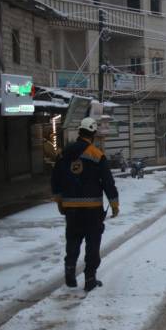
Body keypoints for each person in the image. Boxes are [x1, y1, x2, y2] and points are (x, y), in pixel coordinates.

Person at [51, 117, 119, 292]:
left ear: (80, 132)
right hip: (92, 210)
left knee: (73, 240)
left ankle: (70, 271)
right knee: (92, 243)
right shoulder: (96, 154)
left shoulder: (64, 154)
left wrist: (59, 201)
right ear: (93, 134)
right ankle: (90, 279)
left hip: (71, 209)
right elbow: (107, 182)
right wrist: (114, 204)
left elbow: (55, 179)